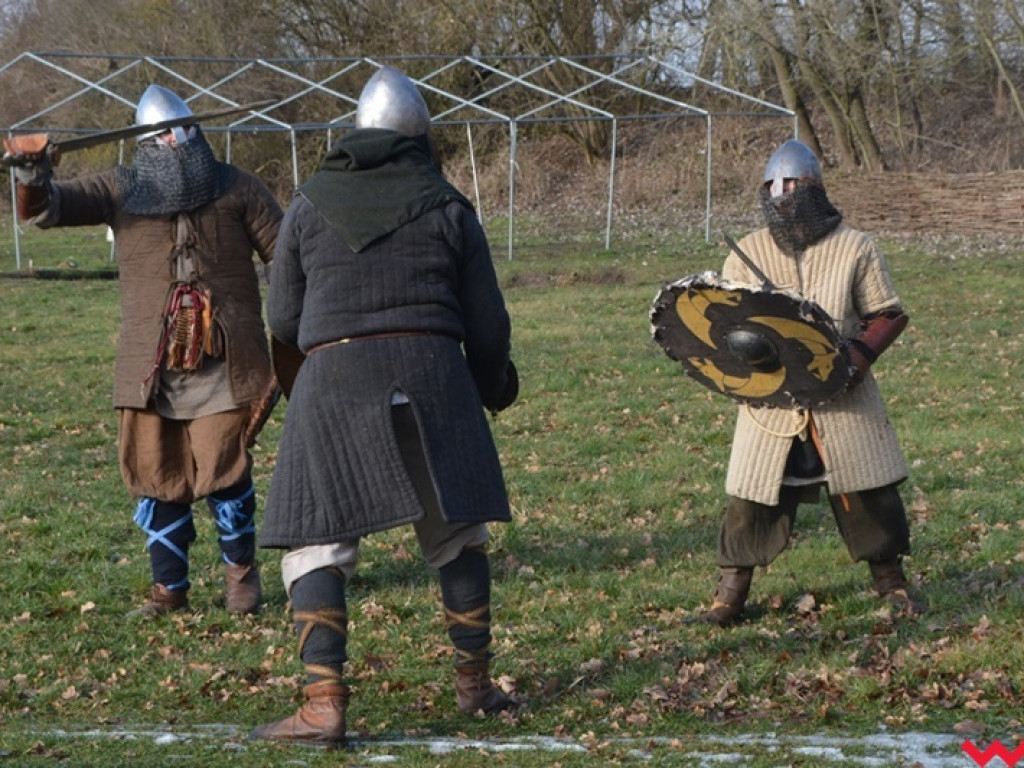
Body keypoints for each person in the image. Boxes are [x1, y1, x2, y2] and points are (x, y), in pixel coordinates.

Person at [250, 66, 519, 745]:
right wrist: (493, 386)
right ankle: (474, 685)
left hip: (333, 379)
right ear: (420, 138)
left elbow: (282, 317)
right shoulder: (450, 203)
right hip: (432, 377)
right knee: (456, 534)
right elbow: (488, 324)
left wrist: (299, 382)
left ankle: (323, 704)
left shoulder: (310, 204)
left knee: (316, 546)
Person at [3, 85, 283, 617]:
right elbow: (47, 210)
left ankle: (241, 579)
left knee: (227, 469)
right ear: (148, 145)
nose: (176, 146)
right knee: (158, 475)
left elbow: (288, 254)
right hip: (150, 367)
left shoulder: (235, 187)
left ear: (196, 136)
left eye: (183, 136)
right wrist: (31, 174)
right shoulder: (121, 188)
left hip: (225, 362)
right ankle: (169, 589)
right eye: (165, 139)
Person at [696, 139, 918, 626]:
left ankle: (892, 583)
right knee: (752, 495)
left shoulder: (854, 246)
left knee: (867, 488)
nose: (784, 199)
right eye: (775, 192)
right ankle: (728, 597)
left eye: (793, 189)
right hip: (771, 398)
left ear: (815, 192)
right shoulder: (749, 251)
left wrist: (853, 361)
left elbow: (887, 313)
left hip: (843, 395)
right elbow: (725, 321)